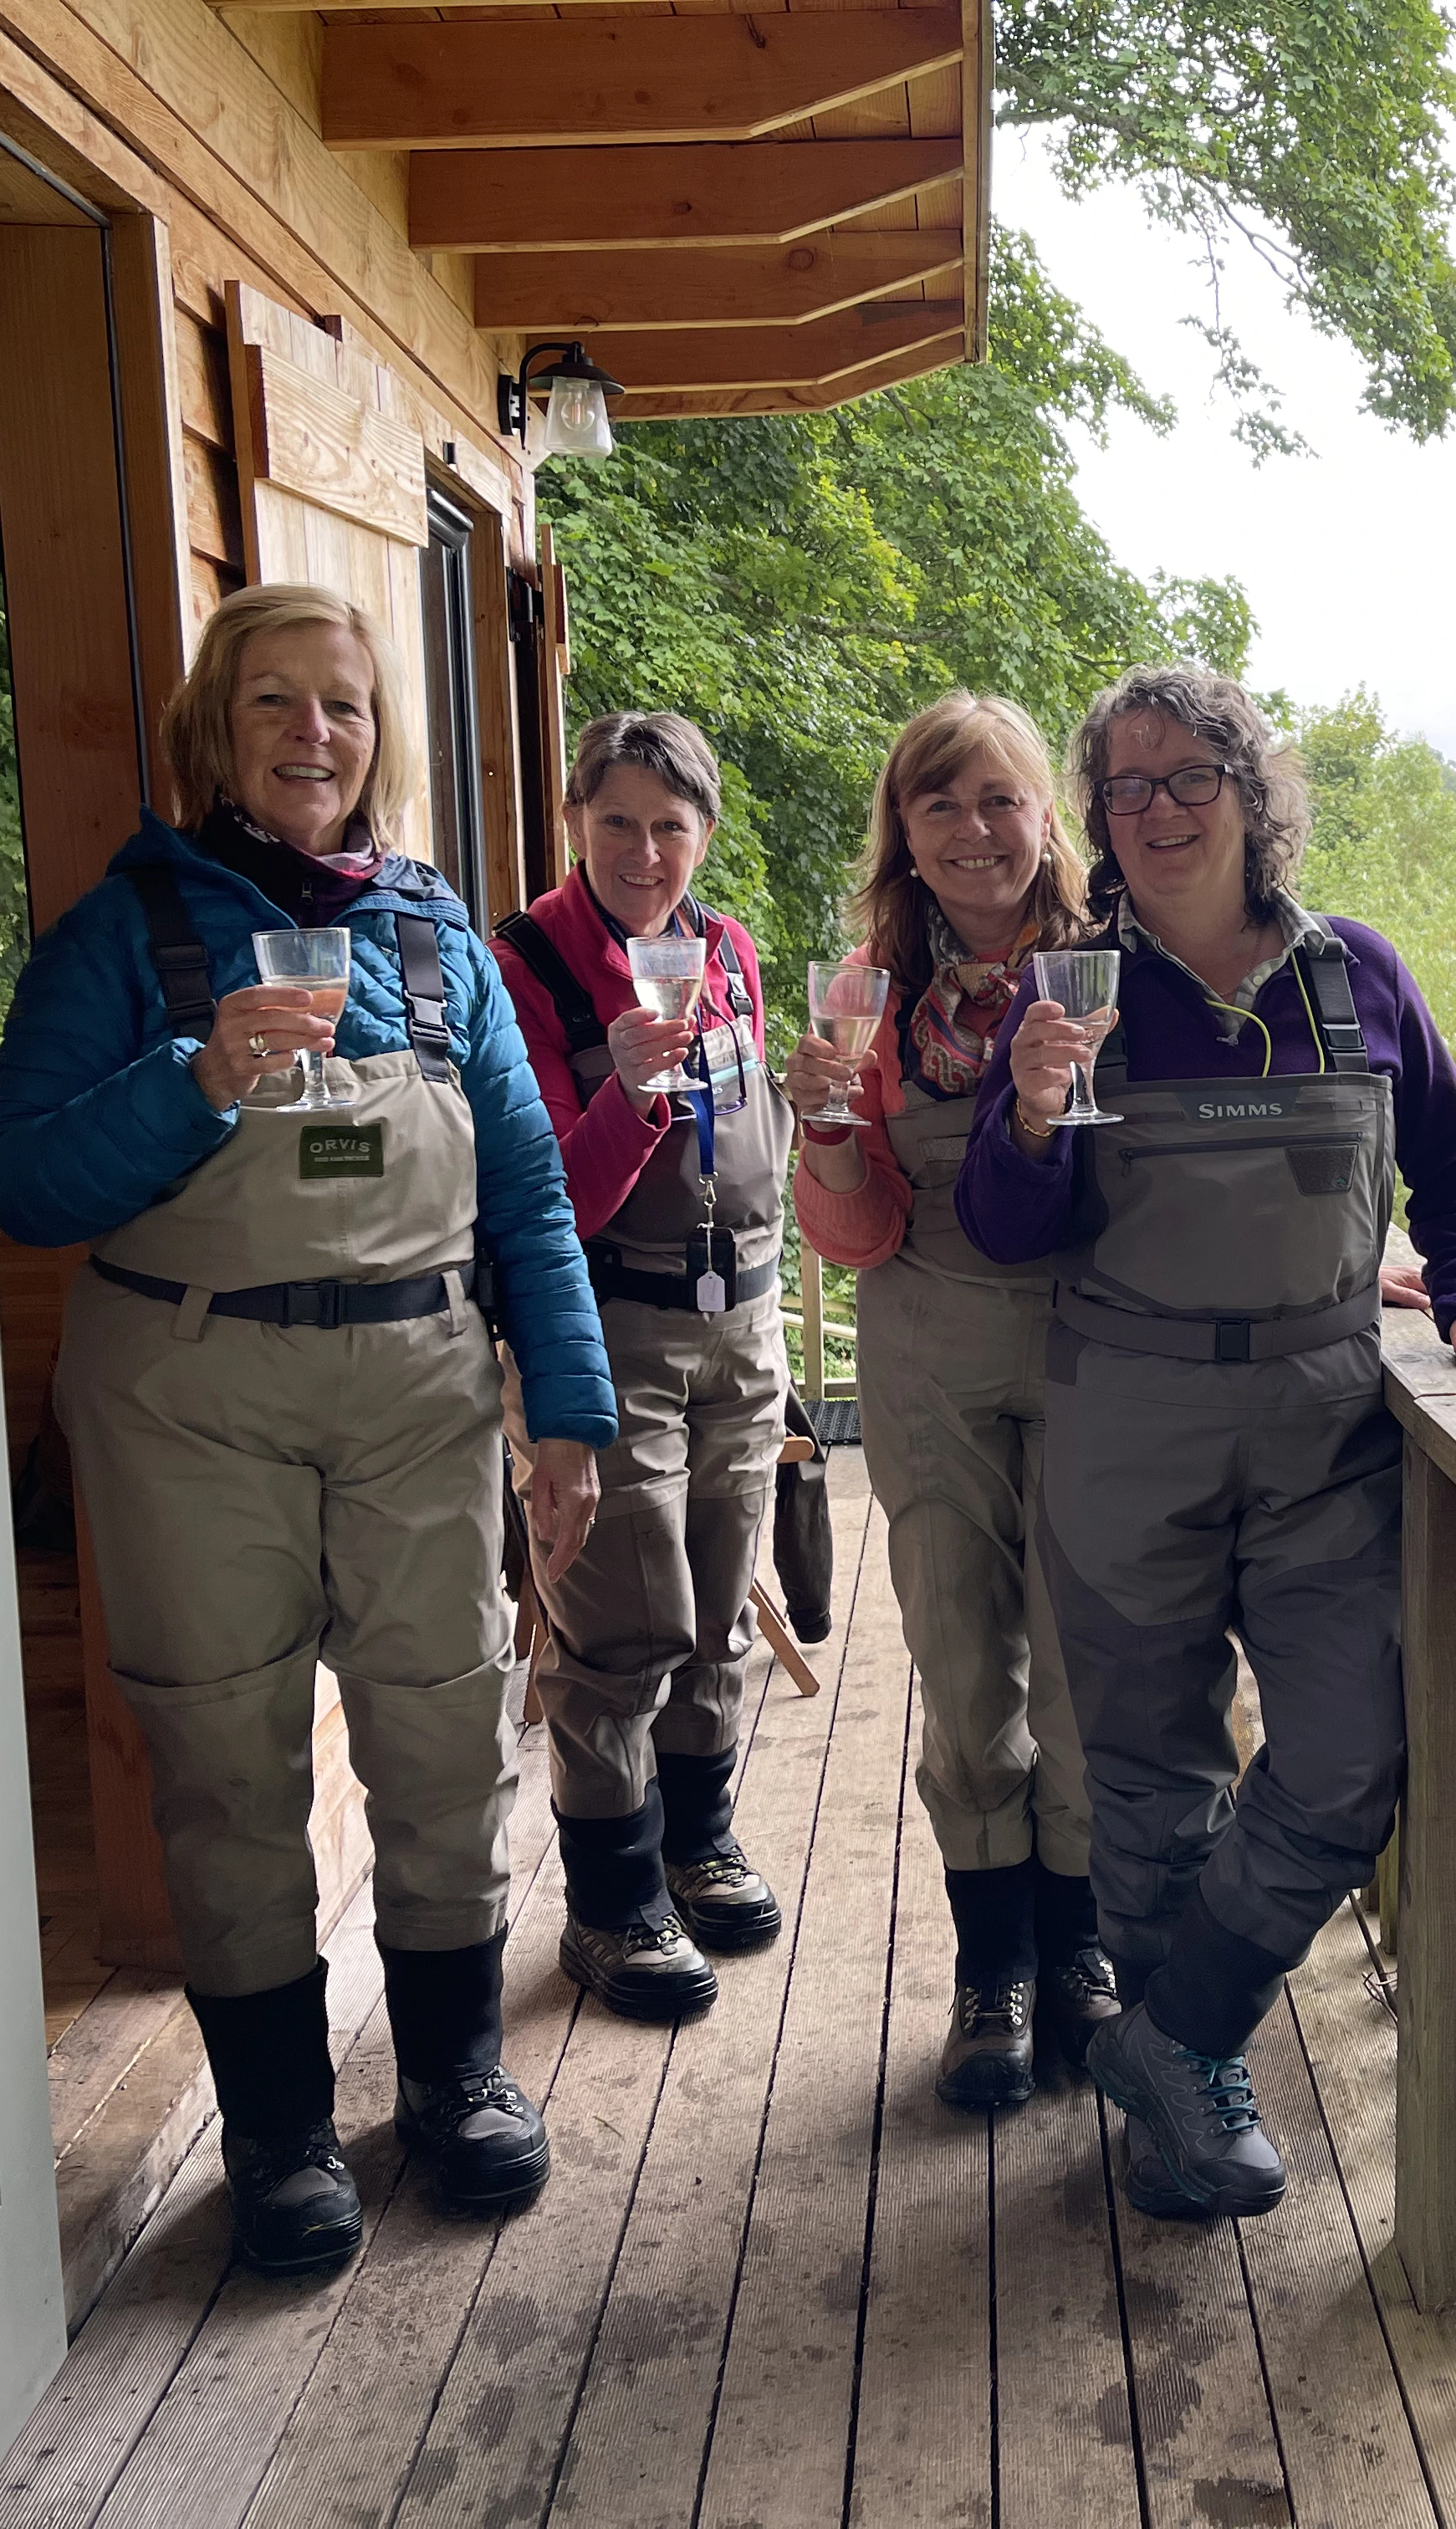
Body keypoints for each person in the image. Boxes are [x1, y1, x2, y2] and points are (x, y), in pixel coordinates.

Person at [0, 583, 613, 2276]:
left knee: (442, 1730)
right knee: (222, 1762)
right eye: (276, 704)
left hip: (418, 1389)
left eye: (341, 705)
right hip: (187, 1402)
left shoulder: (436, 941)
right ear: (217, 729)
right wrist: (193, 1078)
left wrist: (568, 1413)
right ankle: (272, 2133)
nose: (314, 736)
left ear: (377, 735)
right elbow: (26, 1177)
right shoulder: (125, 936)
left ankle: (455, 2086)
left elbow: (531, 1197)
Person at [956, 663, 1456, 2218]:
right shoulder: (1072, 989)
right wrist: (1025, 1118)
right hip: (1128, 1412)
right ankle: (1197, 2097)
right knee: (1151, 1778)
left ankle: (1174, 2030)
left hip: (1323, 1414)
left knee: (1354, 1756)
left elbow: (1455, 1157)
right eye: (1125, 788)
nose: (1155, 812)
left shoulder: (1352, 977)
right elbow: (1004, 1226)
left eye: (1188, 778)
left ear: (1252, 794)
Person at [784, 694, 1116, 2114]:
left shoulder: (1123, 972)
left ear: (1045, 817)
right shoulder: (867, 997)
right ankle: (994, 1979)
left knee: (1092, 1672)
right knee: (968, 1673)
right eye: (939, 807)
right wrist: (824, 1134)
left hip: (1105, 1358)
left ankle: (1081, 1960)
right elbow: (850, 1238)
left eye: (998, 801)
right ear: (904, 838)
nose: (973, 833)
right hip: (924, 1358)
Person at [492, 713, 792, 2022]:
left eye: (672, 825)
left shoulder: (725, 950)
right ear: (574, 823)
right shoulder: (524, 967)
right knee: (619, 1626)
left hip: (745, 1319)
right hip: (610, 1326)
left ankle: (695, 1841)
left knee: (724, 1598)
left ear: (705, 834)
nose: (646, 850)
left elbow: (758, 1134)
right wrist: (622, 1088)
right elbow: (547, 1195)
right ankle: (611, 1907)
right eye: (617, 820)